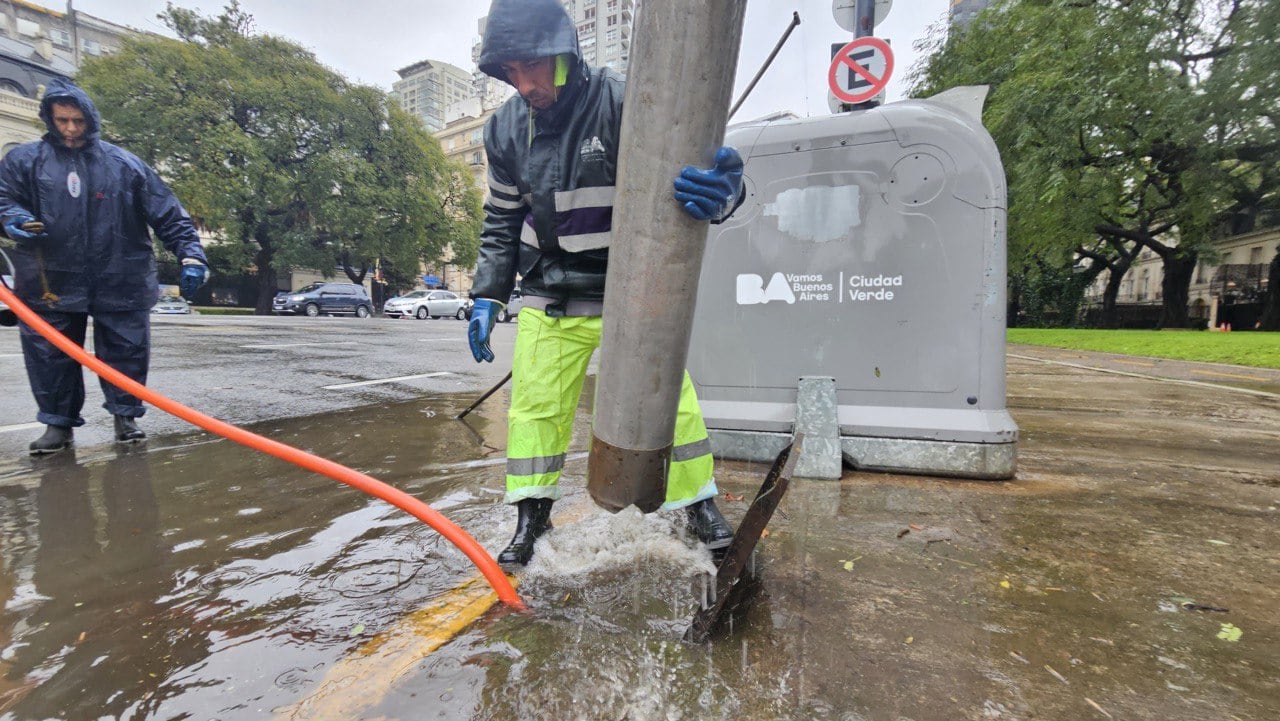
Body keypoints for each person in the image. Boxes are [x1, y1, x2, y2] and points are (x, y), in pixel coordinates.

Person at [468, 0, 746, 566]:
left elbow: (694, 177)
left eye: (533, 68)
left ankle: (699, 506)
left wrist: (727, 195)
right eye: (510, 73)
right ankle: (531, 519)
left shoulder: (626, 100)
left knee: (674, 405)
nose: (524, 85)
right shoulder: (503, 129)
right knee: (535, 409)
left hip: (630, 290)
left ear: (564, 54)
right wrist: (488, 294)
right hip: (552, 290)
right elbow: (501, 219)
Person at [0, 78, 209, 455]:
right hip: (51, 277)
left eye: (77, 120)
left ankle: (125, 417)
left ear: (90, 119)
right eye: (62, 120)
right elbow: (3, 200)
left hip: (120, 275)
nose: (70, 129)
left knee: (126, 350)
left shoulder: (125, 165)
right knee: (50, 354)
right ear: (49, 117)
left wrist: (191, 254)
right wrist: (11, 217)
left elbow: (169, 214)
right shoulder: (24, 161)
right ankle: (57, 424)